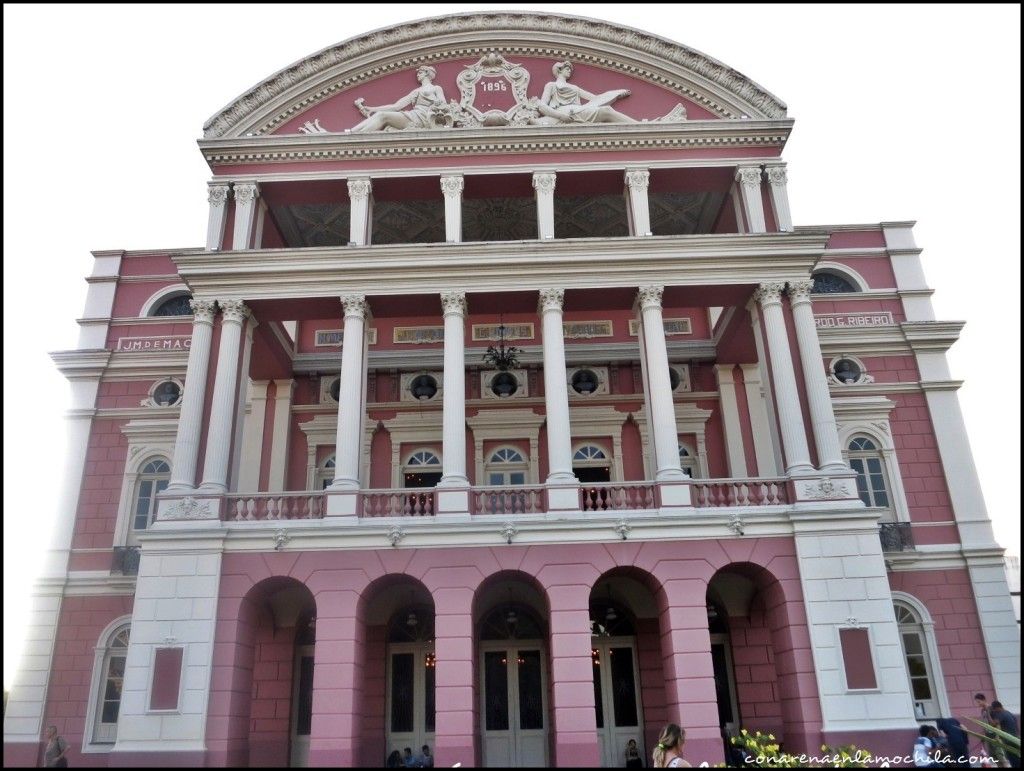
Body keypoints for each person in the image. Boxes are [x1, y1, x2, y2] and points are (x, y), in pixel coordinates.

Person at [530, 61, 635, 125]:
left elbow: (595, 98)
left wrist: (617, 94)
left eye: (570, 69)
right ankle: (636, 125)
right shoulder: (551, 85)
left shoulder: (574, 88)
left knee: (607, 109)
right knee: (606, 110)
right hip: (566, 113)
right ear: (559, 70)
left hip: (578, 111)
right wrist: (561, 116)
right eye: (567, 68)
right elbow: (542, 106)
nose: (570, 71)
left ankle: (637, 125)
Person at [350, 66, 448, 132]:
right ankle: (352, 132)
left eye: (420, 73)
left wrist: (438, 102)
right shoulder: (416, 91)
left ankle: (359, 135)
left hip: (422, 119)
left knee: (383, 116)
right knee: (380, 114)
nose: (418, 75)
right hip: (413, 116)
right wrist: (372, 109)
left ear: (427, 74)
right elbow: (396, 106)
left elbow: (444, 105)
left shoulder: (436, 88)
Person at [975, 692, 1005, 766]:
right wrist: (983, 735)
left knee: (1000, 757)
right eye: (976, 702)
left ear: (984, 700)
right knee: (994, 757)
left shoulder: (991, 709)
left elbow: (997, 724)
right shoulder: (982, 711)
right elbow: (985, 724)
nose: (978, 704)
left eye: (979, 702)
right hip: (988, 736)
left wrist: (998, 736)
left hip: (995, 736)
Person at [989, 701, 1020, 767]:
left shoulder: (1001, 714)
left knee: (1013, 759)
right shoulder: (1009, 713)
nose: (995, 712)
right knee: (1017, 757)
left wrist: (988, 713)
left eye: (994, 710)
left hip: (1009, 741)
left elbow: (993, 724)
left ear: (997, 708)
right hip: (1016, 739)